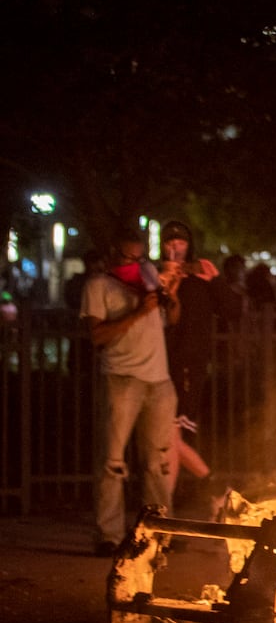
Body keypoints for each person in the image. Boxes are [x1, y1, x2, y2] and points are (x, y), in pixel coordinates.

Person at [79, 227, 179, 556]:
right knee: (112, 461)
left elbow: (172, 318)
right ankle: (108, 535)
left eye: (140, 257)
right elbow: (97, 337)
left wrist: (171, 297)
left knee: (157, 462)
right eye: (128, 258)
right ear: (112, 254)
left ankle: (160, 532)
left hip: (158, 380)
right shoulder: (97, 286)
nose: (135, 264)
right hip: (121, 378)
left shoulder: (148, 274)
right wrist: (138, 311)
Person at [158, 221, 224, 513]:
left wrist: (215, 279)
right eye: (169, 241)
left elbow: (232, 309)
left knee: (170, 437)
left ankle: (166, 514)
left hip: (186, 367)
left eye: (181, 241)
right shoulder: (155, 276)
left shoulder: (200, 279)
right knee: (166, 440)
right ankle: (211, 490)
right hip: (157, 365)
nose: (174, 246)